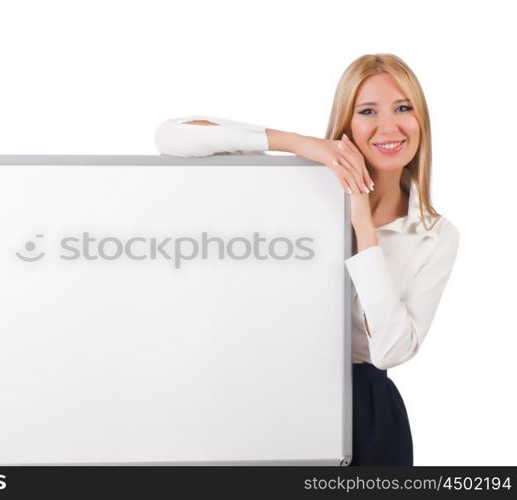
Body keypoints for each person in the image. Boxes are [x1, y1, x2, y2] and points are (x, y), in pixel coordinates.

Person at [153, 53, 460, 466]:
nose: (390, 126)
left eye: (403, 108)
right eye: (368, 111)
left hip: (367, 419)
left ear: (421, 120)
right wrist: (301, 146)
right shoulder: (299, 189)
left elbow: (390, 351)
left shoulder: (432, 235)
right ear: (347, 124)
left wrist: (362, 220)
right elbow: (173, 137)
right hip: (276, 397)